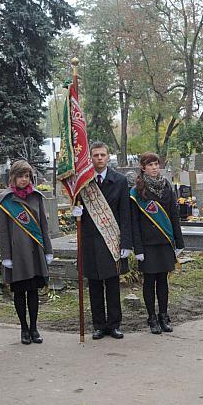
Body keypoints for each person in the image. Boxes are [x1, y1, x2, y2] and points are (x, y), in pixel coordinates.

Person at [75, 141, 133, 340]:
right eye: (95, 155)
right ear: (90, 158)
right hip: (90, 241)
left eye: (102, 155)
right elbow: (79, 208)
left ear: (109, 157)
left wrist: (126, 243)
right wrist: (76, 213)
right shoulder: (84, 182)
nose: (99, 158)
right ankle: (99, 325)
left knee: (113, 284)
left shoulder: (120, 181)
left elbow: (126, 214)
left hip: (112, 240)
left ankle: (114, 324)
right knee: (95, 285)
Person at [0, 160, 54, 344]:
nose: (24, 179)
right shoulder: (5, 200)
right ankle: (23, 328)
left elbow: (44, 226)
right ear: (13, 177)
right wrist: (6, 256)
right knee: (20, 292)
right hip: (17, 254)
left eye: (27, 176)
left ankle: (34, 328)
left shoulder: (36, 197)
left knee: (34, 291)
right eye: (20, 176)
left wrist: (48, 250)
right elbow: (2, 231)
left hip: (35, 251)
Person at [130, 152, 185, 334]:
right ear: (143, 167)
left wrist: (179, 241)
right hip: (147, 245)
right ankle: (151, 318)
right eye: (150, 164)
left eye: (156, 164)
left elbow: (173, 215)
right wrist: (137, 248)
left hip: (165, 241)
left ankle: (163, 315)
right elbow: (134, 222)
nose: (154, 167)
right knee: (149, 281)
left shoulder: (167, 186)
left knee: (163, 281)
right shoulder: (137, 191)